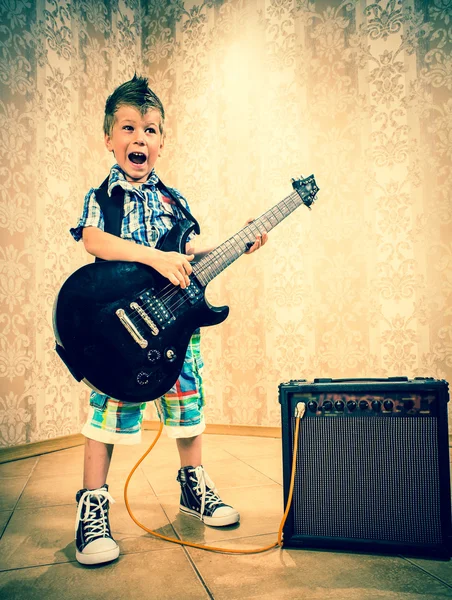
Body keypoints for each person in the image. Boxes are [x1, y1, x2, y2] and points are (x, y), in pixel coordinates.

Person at [69, 75, 268, 566]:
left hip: (176, 328)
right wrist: (154, 260)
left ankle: (193, 488)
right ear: (109, 139)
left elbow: (191, 246)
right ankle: (93, 506)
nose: (140, 139)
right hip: (121, 332)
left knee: (187, 406)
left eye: (151, 130)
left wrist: (238, 240)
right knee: (110, 412)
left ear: (162, 141)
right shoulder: (104, 196)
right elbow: (94, 242)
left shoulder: (174, 201)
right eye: (129, 128)